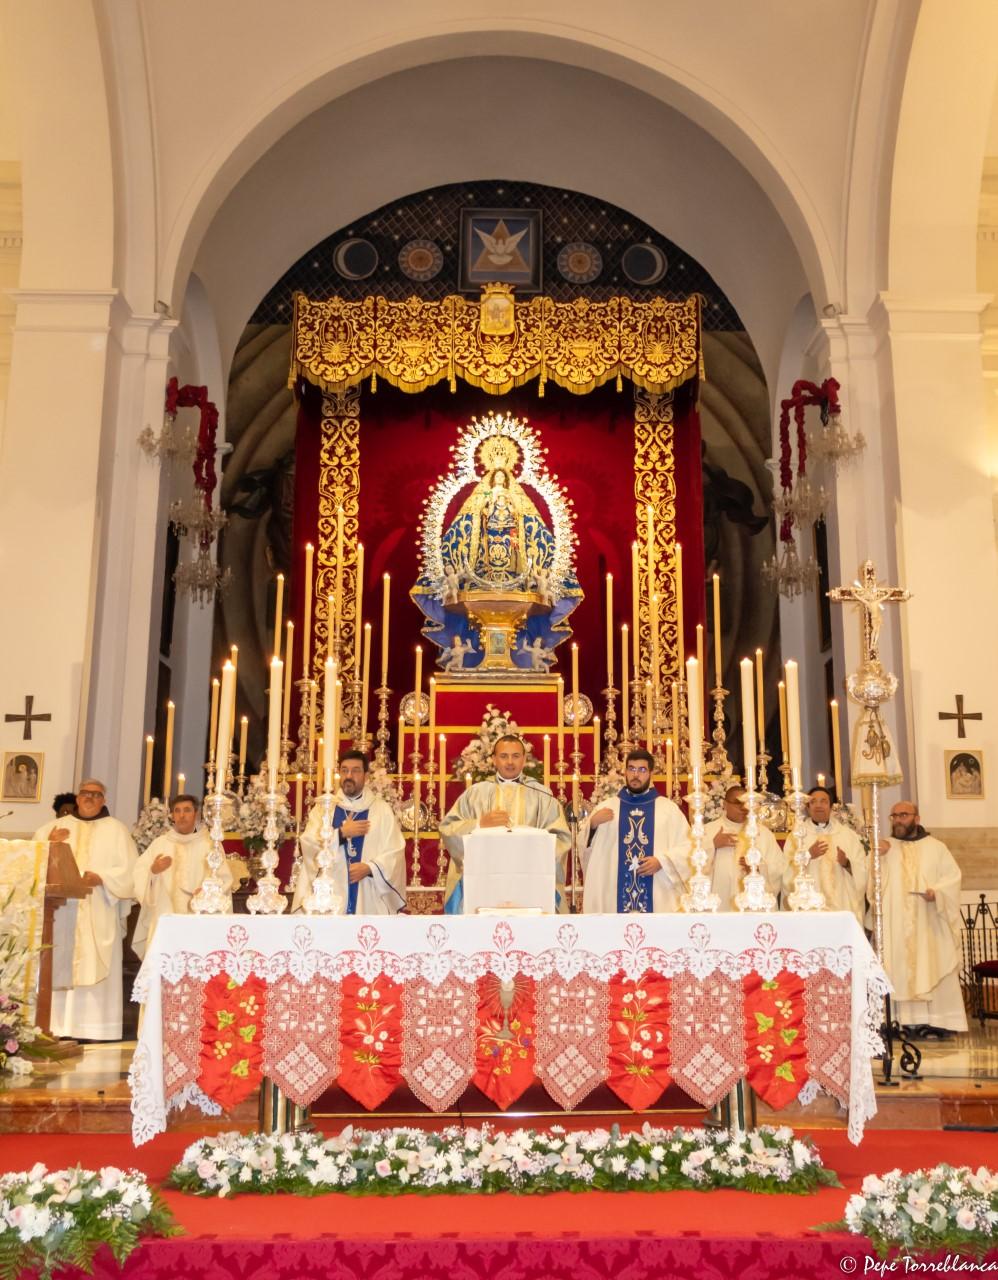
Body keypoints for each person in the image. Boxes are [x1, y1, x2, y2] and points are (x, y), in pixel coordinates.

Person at [33, 779, 137, 1041]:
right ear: (77, 798)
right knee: (58, 960)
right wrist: (49, 844)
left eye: (96, 794)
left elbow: (130, 872)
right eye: (85, 794)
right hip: (60, 912)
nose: (90, 798)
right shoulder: (55, 828)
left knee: (94, 963)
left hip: (98, 907)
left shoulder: (117, 830)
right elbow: (32, 861)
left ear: (104, 800)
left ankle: (94, 1028)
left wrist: (102, 878)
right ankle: (56, 1026)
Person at [439, 734, 570, 913]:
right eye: (503, 756)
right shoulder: (475, 794)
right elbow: (448, 829)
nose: (510, 762)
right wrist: (478, 825)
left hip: (529, 881)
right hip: (485, 881)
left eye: (516, 756)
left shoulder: (542, 796)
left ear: (524, 759)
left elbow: (561, 838)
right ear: (494, 759)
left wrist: (531, 844)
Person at [876, 801, 967, 1036]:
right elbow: (872, 886)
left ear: (916, 818)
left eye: (903, 815)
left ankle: (938, 1020)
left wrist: (937, 892)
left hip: (929, 921)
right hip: (896, 923)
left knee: (931, 962)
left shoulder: (937, 847)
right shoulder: (886, 848)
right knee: (897, 965)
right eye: (894, 815)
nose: (897, 820)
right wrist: (878, 859)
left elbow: (953, 878)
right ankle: (899, 1020)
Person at [292, 751, 406, 914]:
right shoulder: (324, 809)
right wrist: (340, 834)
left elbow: (395, 851)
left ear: (366, 776)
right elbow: (309, 843)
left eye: (356, 770)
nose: (349, 775)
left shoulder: (381, 810)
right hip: (329, 896)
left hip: (368, 896)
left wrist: (370, 868)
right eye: (344, 770)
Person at [581, 748, 691, 913]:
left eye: (642, 770)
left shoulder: (668, 810)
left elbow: (689, 846)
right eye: (631, 769)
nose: (636, 775)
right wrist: (593, 825)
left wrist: (662, 861)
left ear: (650, 773)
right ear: (625, 772)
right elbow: (584, 849)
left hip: (658, 892)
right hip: (613, 895)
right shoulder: (607, 807)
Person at [131, 794, 234, 959]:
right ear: (172, 815)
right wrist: (153, 871)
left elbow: (225, 878)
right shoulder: (160, 843)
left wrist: (209, 891)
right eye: (177, 811)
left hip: (200, 918)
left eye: (187, 810)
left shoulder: (210, 844)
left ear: (196, 814)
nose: (182, 815)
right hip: (165, 917)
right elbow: (139, 874)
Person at [781, 787, 866, 923]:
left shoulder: (847, 835)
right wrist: (808, 855)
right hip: (809, 907)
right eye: (813, 802)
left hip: (842, 905)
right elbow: (785, 872)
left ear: (831, 807)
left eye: (824, 801)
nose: (819, 805)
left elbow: (863, 871)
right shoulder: (797, 836)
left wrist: (847, 863)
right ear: (808, 808)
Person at [701, 785, 786, 910]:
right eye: (737, 803)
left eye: (746, 803)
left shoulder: (763, 833)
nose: (743, 808)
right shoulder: (708, 831)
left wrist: (758, 869)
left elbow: (778, 868)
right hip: (720, 905)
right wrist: (712, 845)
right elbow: (691, 866)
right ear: (724, 804)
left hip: (754, 906)